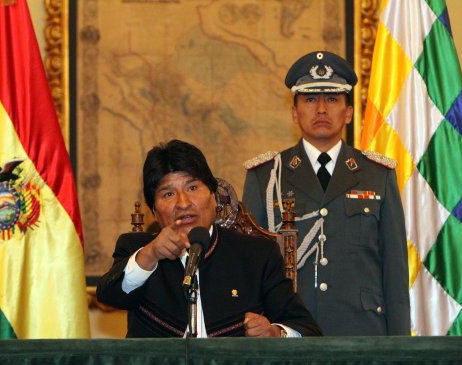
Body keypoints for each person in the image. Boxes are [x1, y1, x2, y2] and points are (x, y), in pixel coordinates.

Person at [242, 51, 410, 336]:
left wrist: (400, 349)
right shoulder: (266, 175)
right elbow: (249, 269)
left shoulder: (378, 175)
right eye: (310, 99)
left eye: (332, 99)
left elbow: (394, 274)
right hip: (289, 334)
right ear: (294, 112)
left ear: (348, 112)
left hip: (363, 334)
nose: (321, 109)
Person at [97, 139, 322, 338]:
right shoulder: (138, 250)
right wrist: (151, 254)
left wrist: (275, 333)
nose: (183, 202)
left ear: (214, 198)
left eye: (193, 187)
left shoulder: (257, 255)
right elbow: (109, 296)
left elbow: (307, 330)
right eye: (168, 193)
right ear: (154, 211)